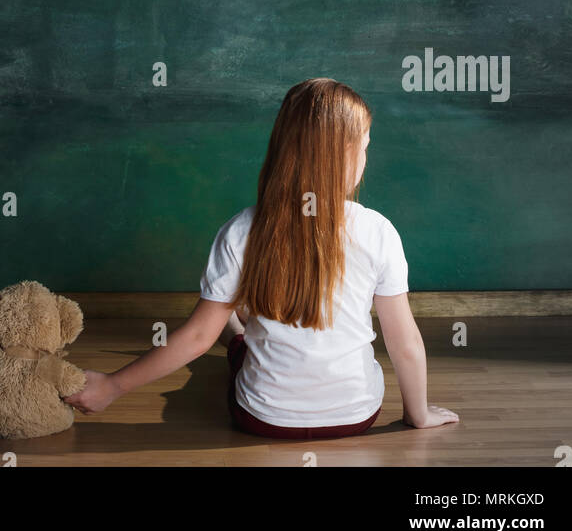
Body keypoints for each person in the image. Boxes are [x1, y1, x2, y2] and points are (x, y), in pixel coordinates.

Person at [64, 77, 460, 437]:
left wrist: (113, 386)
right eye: (367, 147)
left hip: (263, 419)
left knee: (235, 343)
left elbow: (197, 338)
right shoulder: (379, 231)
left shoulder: (240, 230)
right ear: (347, 154)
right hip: (355, 416)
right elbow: (402, 340)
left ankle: (237, 326)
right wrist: (417, 414)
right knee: (257, 333)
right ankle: (242, 323)